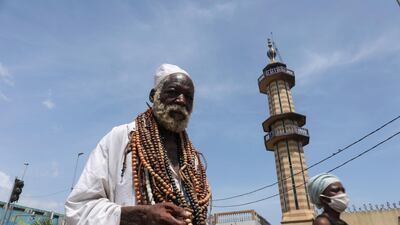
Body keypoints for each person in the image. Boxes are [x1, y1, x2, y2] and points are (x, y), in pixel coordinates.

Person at [65, 64, 211, 225]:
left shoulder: (192, 159)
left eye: (189, 97)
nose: (182, 100)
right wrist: (141, 216)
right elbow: (78, 210)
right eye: (173, 92)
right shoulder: (121, 138)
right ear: (153, 95)